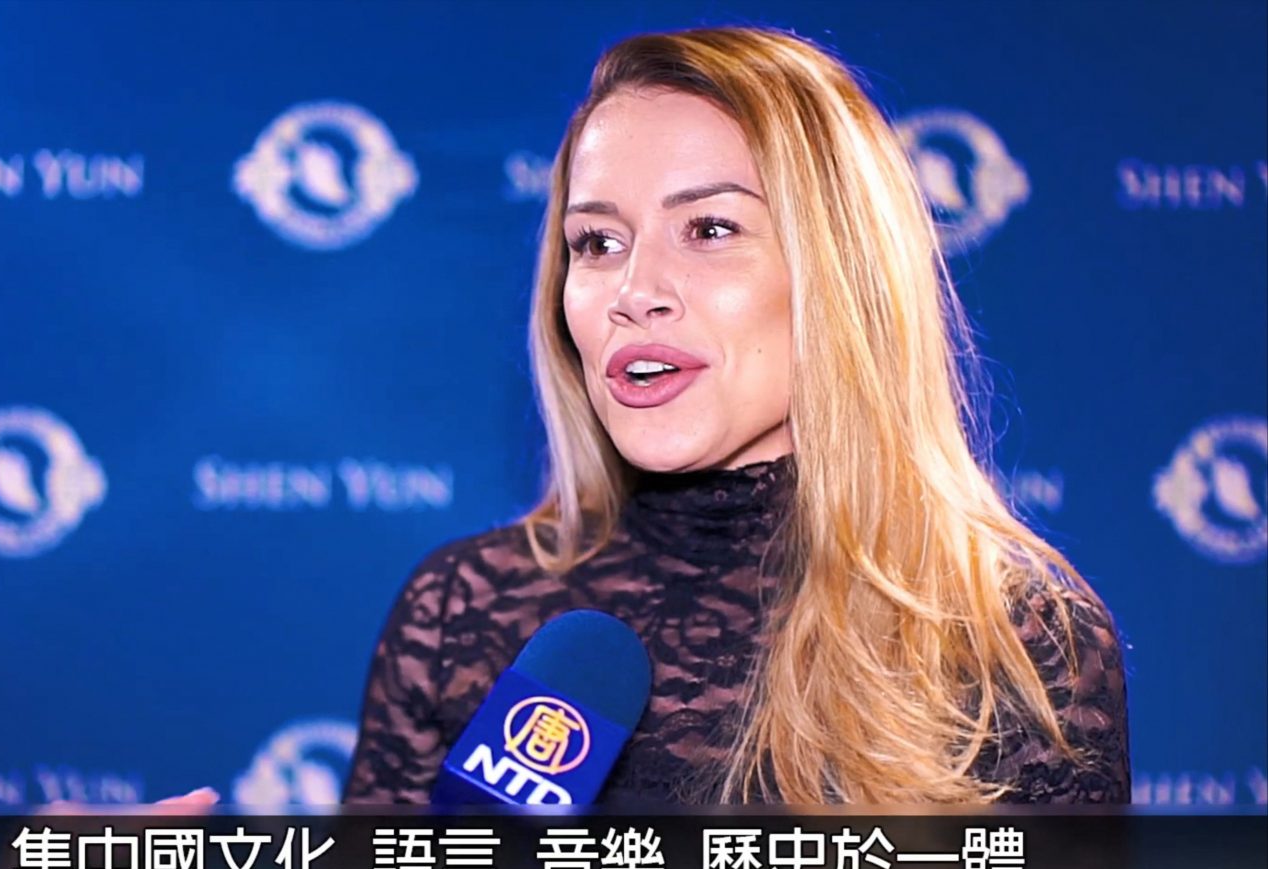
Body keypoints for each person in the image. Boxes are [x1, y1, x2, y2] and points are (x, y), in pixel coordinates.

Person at [343, 25, 1130, 807]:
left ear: (841, 271)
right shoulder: (458, 612)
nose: (634, 290)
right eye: (598, 242)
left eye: (710, 229)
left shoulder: (1020, 642)